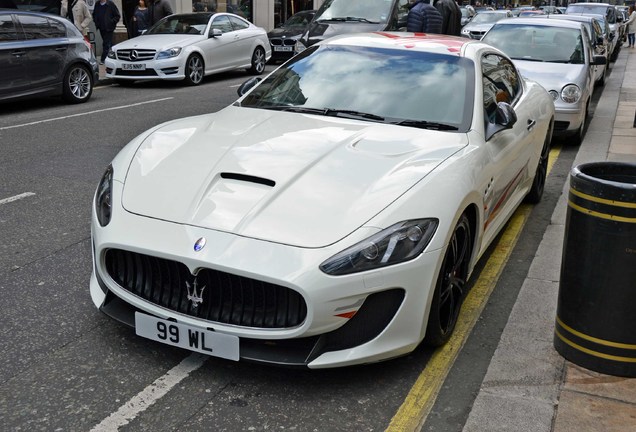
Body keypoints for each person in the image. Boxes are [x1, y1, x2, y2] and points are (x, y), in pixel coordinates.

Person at [92, 0, 121, 65]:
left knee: (106, 43)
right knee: (109, 44)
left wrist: (111, 22)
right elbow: (94, 14)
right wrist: (96, 21)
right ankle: (113, 56)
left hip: (109, 28)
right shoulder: (97, 4)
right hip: (101, 27)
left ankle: (103, 59)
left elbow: (117, 16)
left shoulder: (110, 4)